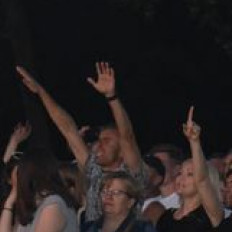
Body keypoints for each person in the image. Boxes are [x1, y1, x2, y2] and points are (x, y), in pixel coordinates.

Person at [18, 62, 145, 221]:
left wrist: (111, 97)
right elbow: (68, 129)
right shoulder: (93, 171)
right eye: (99, 140)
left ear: (121, 151)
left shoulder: (132, 173)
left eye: (107, 140)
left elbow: (127, 136)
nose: (99, 144)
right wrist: (41, 92)